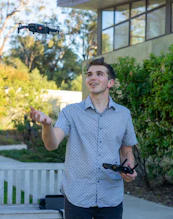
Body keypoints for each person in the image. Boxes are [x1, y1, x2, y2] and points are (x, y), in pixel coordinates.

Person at [30, 57, 138, 219]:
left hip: (111, 197)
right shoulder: (70, 112)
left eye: (99, 74)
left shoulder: (123, 114)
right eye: (89, 74)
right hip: (77, 196)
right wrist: (47, 125)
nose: (92, 77)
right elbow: (52, 144)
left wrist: (129, 169)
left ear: (110, 83)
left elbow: (126, 152)